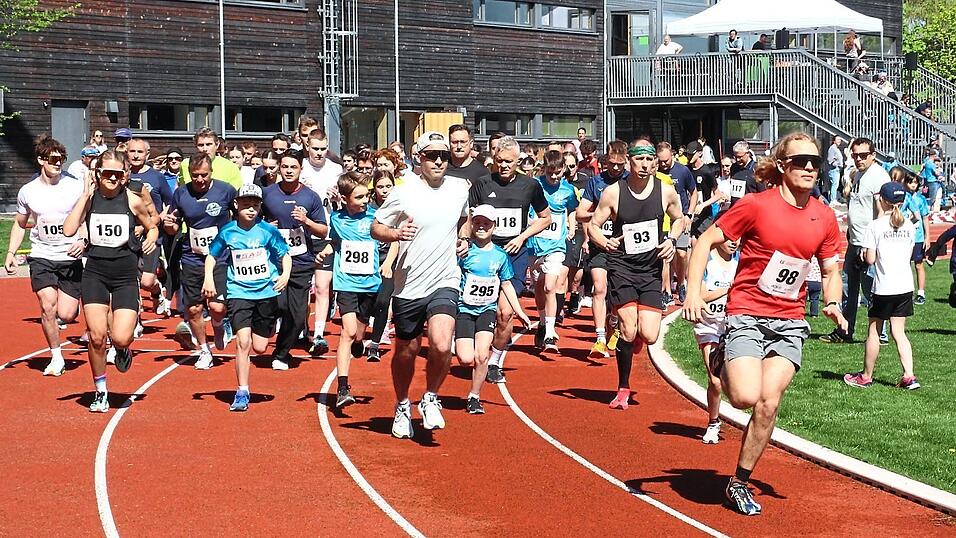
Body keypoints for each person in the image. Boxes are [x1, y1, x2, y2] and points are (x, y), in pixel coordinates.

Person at [683, 132, 846, 516]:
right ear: (783, 165)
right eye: (801, 160)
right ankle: (722, 355)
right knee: (743, 397)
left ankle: (738, 482)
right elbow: (705, 241)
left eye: (816, 162)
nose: (810, 167)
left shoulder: (823, 216)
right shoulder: (756, 206)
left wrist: (832, 302)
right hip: (748, 313)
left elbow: (830, 269)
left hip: (790, 321)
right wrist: (692, 293)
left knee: (768, 404)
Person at [371, 131, 471, 439]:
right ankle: (403, 404)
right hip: (410, 284)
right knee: (407, 350)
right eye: (432, 156)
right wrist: (395, 234)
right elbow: (376, 227)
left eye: (444, 155)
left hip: (445, 278)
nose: (439, 161)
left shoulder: (459, 188)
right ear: (419, 159)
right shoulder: (404, 192)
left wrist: (464, 238)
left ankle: (430, 396)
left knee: (441, 344)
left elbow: (463, 220)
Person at [589, 138, 685, 410]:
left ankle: (633, 337)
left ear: (655, 162)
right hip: (622, 266)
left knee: (650, 335)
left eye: (649, 159)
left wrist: (671, 240)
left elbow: (680, 218)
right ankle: (623, 388)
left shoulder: (665, 191)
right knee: (628, 330)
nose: (644, 165)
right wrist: (604, 242)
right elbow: (594, 225)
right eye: (639, 159)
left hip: (651, 268)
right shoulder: (613, 192)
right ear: (630, 161)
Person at [63, 150, 158, 412]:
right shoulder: (89, 199)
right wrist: (85, 195)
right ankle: (101, 391)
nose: (113, 178)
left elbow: (152, 225)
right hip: (95, 274)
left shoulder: (132, 200)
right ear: (98, 174)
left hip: (125, 275)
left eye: (118, 174)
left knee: (121, 337)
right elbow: (68, 230)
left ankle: (123, 349)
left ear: (125, 175)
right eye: (108, 173)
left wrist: (151, 237)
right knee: (96, 337)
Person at [468, 136, 551, 383]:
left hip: (515, 255)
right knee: (479, 306)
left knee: (505, 312)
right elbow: (467, 217)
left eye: (509, 162)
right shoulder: (482, 184)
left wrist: (522, 237)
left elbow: (545, 218)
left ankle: (494, 360)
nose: (504, 166)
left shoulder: (530, 185)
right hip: (484, 254)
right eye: (500, 161)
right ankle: (475, 347)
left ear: (518, 161)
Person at [204, 183, 291, 411]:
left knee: (260, 347)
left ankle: (267, 326)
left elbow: (285, 255)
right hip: (238, 292)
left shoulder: (268, 231)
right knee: (243, 343)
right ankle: (242, 391)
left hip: (266, 292)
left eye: (255, 205)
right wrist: (209, 279)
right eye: (246, 205)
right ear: (236, 205)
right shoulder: (228, 231)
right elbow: (211, 256)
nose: (251, 209)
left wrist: (285, 275)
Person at [5, 136, 86, 377]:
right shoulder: (28, 191)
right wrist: (11, 253)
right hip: (42, 255)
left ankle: (70, 309)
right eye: (53, 159)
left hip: (69, 256)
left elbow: (85, 219)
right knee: (47, 305)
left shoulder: (74, 187)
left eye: (62, 159)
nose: (58, 163)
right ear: (41, 160)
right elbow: (20, 224)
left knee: (67, 314)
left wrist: (83, 240)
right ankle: (56, 356)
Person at [844, 182, 920, 390]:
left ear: (882, 200)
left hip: (884, 287)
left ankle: (866, 376)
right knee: (899, 332)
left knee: (874, 331)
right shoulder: (909, 225)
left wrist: (866, 253)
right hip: (905, 286)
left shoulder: (875, 226)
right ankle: (909, 375)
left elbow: (870, 259)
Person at [165, 153, 238, 367]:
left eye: (204, 175)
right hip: (192, 257)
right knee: (194, 309)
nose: (200, 180)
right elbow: (173, 226)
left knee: (216, 307)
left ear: (211, 172)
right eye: (195, 175)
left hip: (220, 257)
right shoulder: (181, 194)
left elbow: (241, 215)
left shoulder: (225, 191)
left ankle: (219, 323)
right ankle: (204, 350)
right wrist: (169, 225)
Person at [456, 205, 529, 414]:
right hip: (464, 309)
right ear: (472, 225)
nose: (481, 227)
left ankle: (474, 397)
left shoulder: (500, 255)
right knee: (465, 359)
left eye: (486, 223)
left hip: (486, 310)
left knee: (482, 356)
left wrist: (520, 311)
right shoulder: (464, 251)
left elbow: (506, 284)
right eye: (477, 222)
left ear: (494, 227)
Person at [318, 172, 382, 408]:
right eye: (359, 197)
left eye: (366, 196)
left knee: (358, 334)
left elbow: (393, 239)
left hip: (370, 283)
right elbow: (334, 241)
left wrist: (387, 262)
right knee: (348, 331)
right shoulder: (336, 219)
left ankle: (359, 341)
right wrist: (326, 250)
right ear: (345, 199)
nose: (365, 201)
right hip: (346, 283)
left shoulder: (375, 217)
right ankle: (343, 388)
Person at [261, 151, 328, 370]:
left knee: (298, 315)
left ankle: (281, 353)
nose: (289, 171)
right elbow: (250, 220)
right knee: (279, 305)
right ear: (279, 168)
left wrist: (306, 221)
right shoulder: (267, 194)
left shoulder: (310, 197)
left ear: (301, 169)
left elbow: (323, 230)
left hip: (301, 261)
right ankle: (268, 328)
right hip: (274, 262)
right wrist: (264, 226)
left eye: (293, 167)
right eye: (285, 167)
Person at [821, 138, 888, 344]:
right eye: (855, 155)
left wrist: (871, 244)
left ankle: (881, 334)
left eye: (863, 155)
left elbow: (882, 213)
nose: (858, 159)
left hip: (868, 244)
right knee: (848, 288)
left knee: (872, 290)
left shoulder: (878, 176)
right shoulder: (859, 173)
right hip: (855, 240)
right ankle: (845, 330)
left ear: (873, 155)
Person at [577, 140, 629, 358]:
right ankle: (599, 339)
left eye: (619, 164)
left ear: (626, 161)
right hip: (599, 243)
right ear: (605, 159)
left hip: (624, 246)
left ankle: (614, 323)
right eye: (611, 163)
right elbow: (580, 213)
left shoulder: (631, 181)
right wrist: (600, 214)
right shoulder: (595, 182)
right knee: (599, 288)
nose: (615, 168)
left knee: (618, 293)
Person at [529, 150, 578, 351]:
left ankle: (550, 332)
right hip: (535, 244)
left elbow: (572, 209)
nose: (554, 176)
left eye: (558, 172)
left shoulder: (568, 190)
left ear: (563, 169)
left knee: (550, 286)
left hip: (557, 245)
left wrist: (572, 227)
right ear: (544, 168)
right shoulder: (534, 185)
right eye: (550, 172)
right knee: (539, 286)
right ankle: (542, 321)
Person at [300, 130, 344, 355]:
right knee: (301, 288)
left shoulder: (335, 169)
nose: (319, 153)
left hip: (326, 233)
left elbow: (343, 202)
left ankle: (318, 333)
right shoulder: (300, 167)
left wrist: (337, 198)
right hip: (301, 234)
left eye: (322, 149)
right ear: (307, 147)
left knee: (322, 286)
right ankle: (301, 328)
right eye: (315, 148)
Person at [693, 238, 738, 443]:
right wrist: (729, 290)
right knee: (715, 380)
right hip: (709, 326)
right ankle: (713, 423)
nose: (734, 243)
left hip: (734, 325)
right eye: (730, 238)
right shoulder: (706, 260)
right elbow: (700, 296)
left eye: (738, 239)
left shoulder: (741, 261)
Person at [127, 138, 175, 316]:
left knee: (146, 281)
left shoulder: (157, 177)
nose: (136, 155)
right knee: (131, 279)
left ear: (147, 154)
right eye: (132, 151)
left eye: (140, 152)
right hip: (128, 234)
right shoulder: (123, 175)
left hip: (151, 234)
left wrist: (157, 221)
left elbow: (170, 203)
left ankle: (156, 291)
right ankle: (135, 318)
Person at [367, 171, 400, 362]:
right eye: (380, 187)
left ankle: (374, 345)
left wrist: (388, 263)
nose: (385, 190)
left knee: (383, 302)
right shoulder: (368, 207)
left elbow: (396, 239)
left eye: (388, 186)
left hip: (389, 260)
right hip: (367, 262)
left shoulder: (398, 208)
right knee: (367, 304)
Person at [899, 170, 930, 305]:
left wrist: (927, 237)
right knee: (904, 265)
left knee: (918, 264)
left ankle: (921, 292)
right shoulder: (902, 197)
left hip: (918, 237)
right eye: (910, 182)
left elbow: (925, 218)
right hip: (903, 237)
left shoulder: (920, 199)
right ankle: (906, 292)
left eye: (915, 183)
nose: (913, 185)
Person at [826, 136, 845, 204]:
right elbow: (830, 160)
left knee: (835, 184)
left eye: (840, 139)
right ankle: (833, 200)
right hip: (834, 169)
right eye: (838, 139)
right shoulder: (832, 148)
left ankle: (832, 199)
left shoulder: (836, 148)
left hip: (836, 169)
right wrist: (838, 164)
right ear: (834, 141)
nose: (839, 141)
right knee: (835, 184)